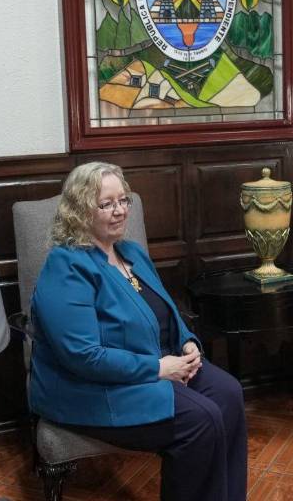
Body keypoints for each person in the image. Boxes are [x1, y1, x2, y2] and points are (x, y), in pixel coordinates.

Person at [28, 162, 247, 501]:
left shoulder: (132, 253)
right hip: (91, 386)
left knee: (229, 393)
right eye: (107, 204)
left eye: (124, 200)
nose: (120, 211)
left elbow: (165, 311)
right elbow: (83, 356)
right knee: (201, 420)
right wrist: (160, 369)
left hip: (153, 364)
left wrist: (186, 342)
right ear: (79, 211)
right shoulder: (66, 266)